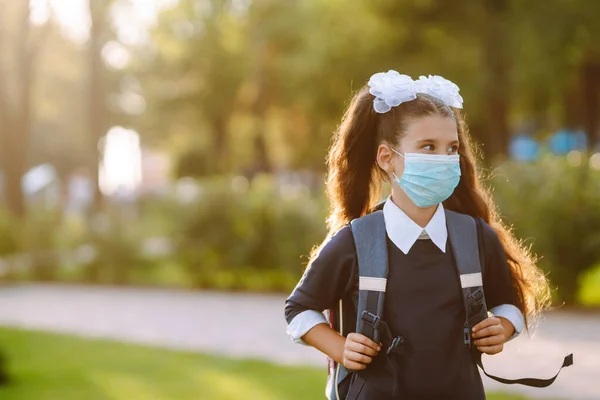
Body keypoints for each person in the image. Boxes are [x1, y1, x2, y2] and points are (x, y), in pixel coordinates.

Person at [284, 71, 550, 399]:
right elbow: (298, 309)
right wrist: (340, 348)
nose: (444, 160)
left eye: (451, 148)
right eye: (428, 147)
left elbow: (509, 303)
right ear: (387, 158)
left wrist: (504, 327)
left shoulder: (476, 237)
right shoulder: (356, 241)